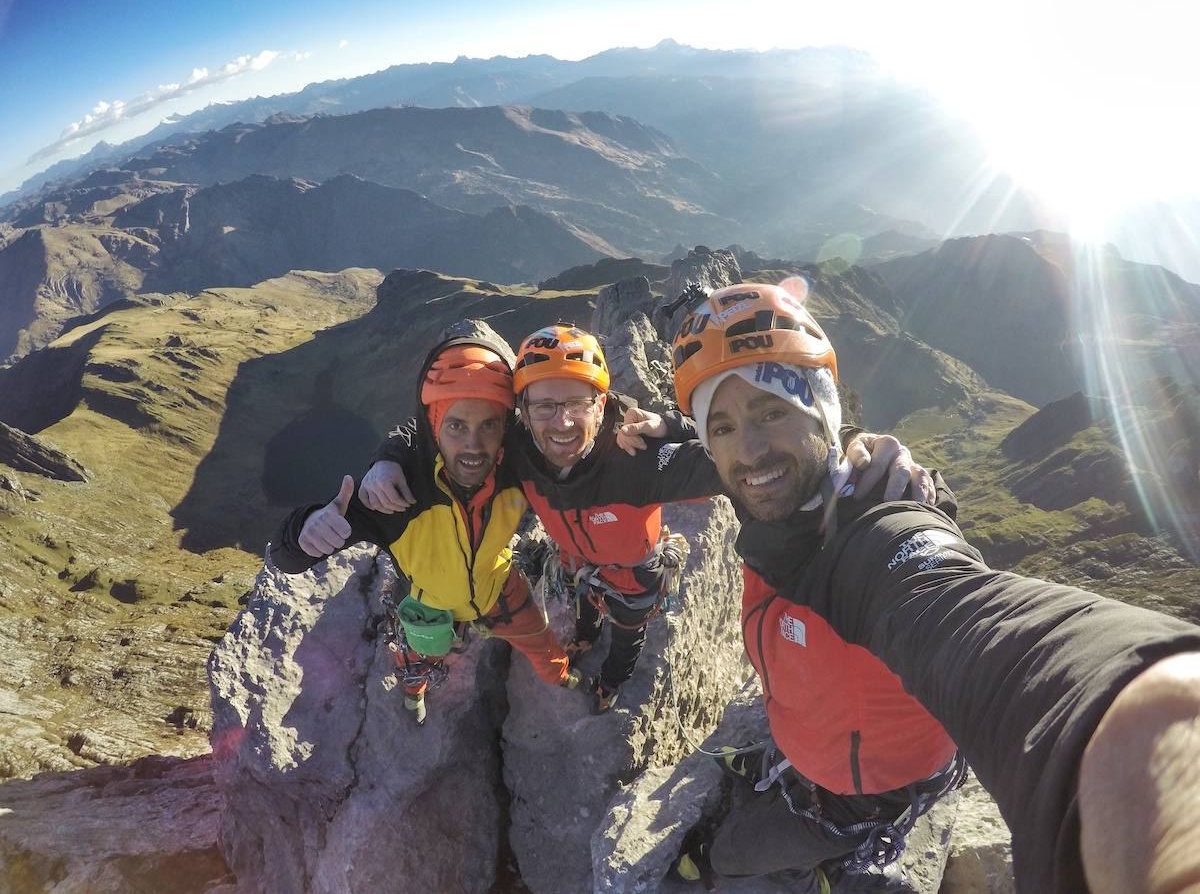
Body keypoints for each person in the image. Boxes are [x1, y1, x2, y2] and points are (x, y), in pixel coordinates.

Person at [655, 281, 1200, 893]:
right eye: (721, 426)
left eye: (772, 411)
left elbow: (964, 614)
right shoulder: (771, 500)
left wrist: (1129, 708)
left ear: (823, 411)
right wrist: (658, 432)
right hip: (813, 739)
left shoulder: (875, 529)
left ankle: (830, 854)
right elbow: (722, 459)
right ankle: (787, 765)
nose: (748, 452)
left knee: (725, 856)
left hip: (870, 788)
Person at [363, 323, 935, 715]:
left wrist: (848, 445)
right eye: (543, 406)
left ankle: (611, 679)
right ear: (524, 413)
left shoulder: (642, 461)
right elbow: (441, 427)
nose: (560, 422)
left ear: (601, 403)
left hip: (633, 572)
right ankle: (585, 644)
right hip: (577, 564)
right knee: (589, 612)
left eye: (576, 404)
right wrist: (388, 459)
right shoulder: (516, 450)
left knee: (627, 630)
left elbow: (743, 458)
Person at [270, 321, 579, 725]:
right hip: (430, 604)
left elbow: (577, 433)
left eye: (488, 425)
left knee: (540, 641)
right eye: (456, 426)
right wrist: (305, 528)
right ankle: (414, 690)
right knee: (417, 656)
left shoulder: (517, 465)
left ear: (506, 428)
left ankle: (559, 675)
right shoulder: (396, 495)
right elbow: (286, 559)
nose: (473, 445)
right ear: (435, 428)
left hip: (496, 586)